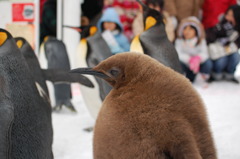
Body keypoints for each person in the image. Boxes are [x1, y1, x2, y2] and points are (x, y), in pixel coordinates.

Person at [206, 5, 240, 83]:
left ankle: (229, 73)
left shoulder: (237, 29)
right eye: (227, 14)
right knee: (222, 59)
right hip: (218, 52)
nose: (228, 17)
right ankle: (216, 73)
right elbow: (210, 38)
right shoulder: (220, 24)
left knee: (236, 56)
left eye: (231, 15)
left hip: (230, 51)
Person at [175, 16, 213, 82]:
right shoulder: (179, 41)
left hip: (198, 64)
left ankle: (203, 76)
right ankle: (181, 77)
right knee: (177, 63)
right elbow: (177, 53)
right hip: (185, 64)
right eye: (185, 28)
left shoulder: (201, 41)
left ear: (196, 30)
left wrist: (197, 58)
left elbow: (205, 53)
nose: (187, 31)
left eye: (190, 29)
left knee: (208, 63)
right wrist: (189, 59)